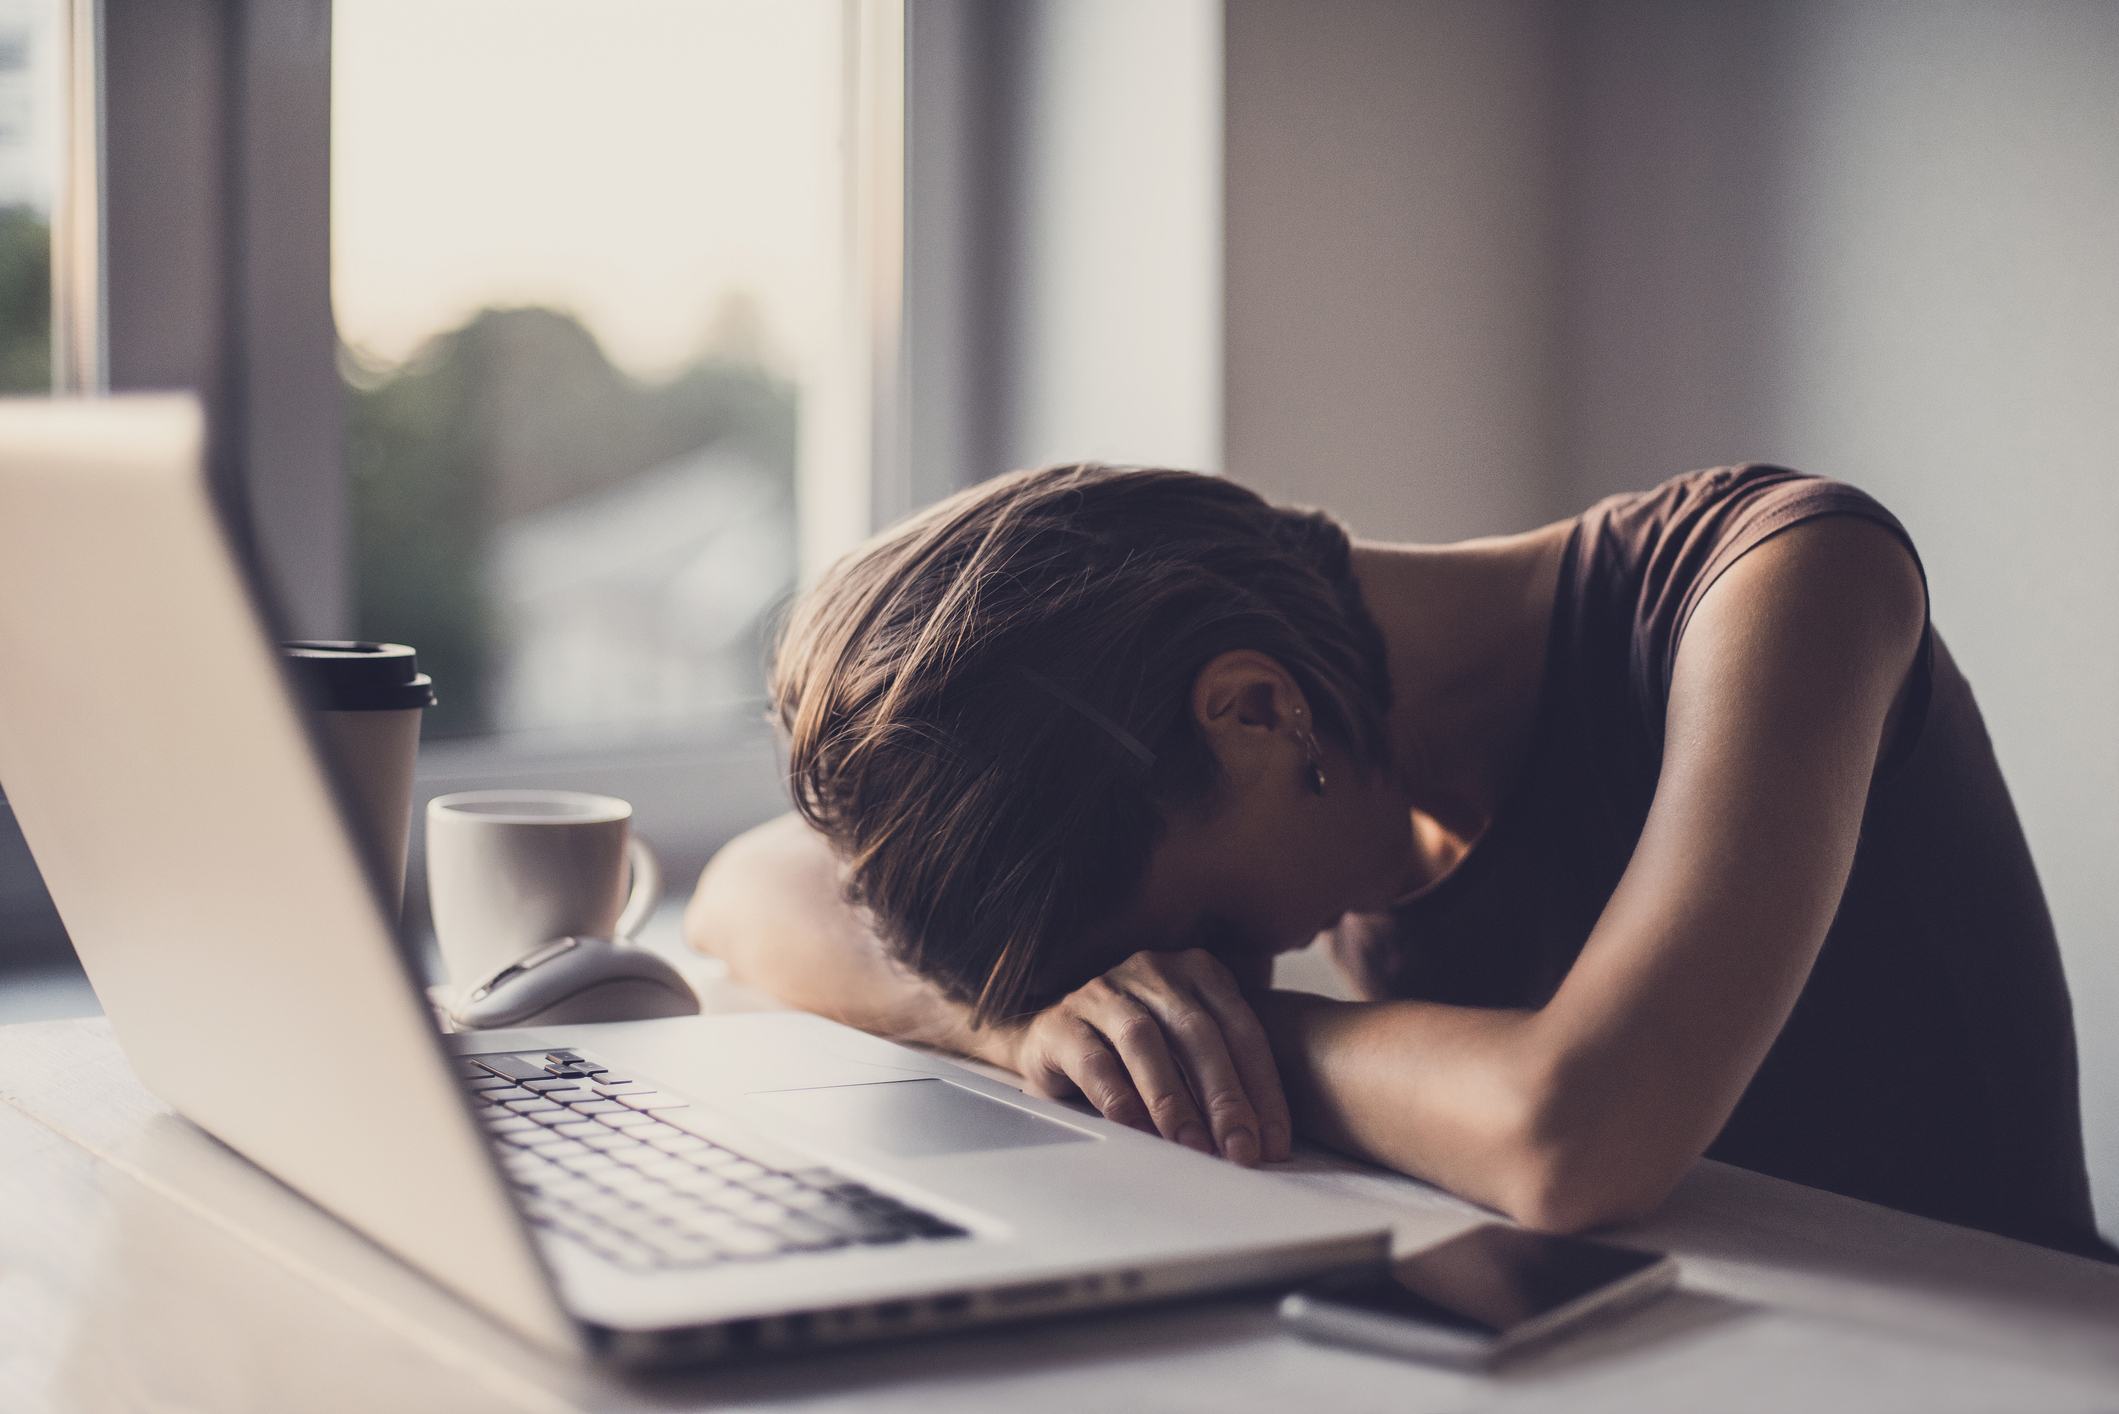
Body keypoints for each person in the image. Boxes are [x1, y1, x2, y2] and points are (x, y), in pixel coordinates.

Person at [686, 462, 2113, 1261]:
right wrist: (1023, 1018)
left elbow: (1579, 1133)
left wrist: (1236, 1040)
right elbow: (749, 885)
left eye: (1195, 932)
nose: (1203, 978)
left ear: (1256, 710)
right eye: (1177, 975)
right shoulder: (1173, 713)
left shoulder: (1784, 582)